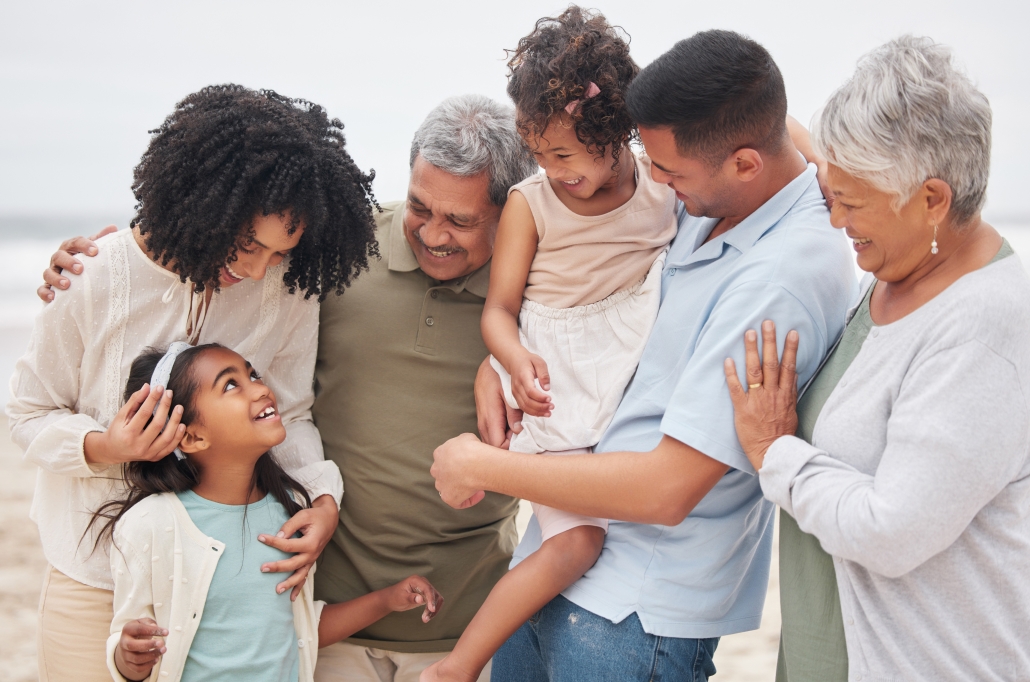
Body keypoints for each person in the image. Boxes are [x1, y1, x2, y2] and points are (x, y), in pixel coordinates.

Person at [38, 93, 538, 682]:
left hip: (440, 616)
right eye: (421, 207)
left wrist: (498, 360)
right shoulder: (330, 261)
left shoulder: (536, 286)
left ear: (510, 212)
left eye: (460, 220)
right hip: (156, 579)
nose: (433, 234)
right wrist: (99, 270)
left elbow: (291, 409)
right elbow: (46, 400)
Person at [430, 30, 856, 681]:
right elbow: (746, 116)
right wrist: (500, 361)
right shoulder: (711, 194)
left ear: (744, 164)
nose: (650, 180)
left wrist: (481, 465)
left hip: (634, 621)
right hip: (558, 572)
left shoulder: (782, 275)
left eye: (670, 171)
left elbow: (667, 490)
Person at [8, 84, 378, 681]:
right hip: (92, 576)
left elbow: (294, 415)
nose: (258, 270)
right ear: (205, 201)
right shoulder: (93, 277)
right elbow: (26, 414)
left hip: (218, 582)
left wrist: (322, 499)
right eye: (249, 243)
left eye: (279, 253)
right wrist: (107, 447)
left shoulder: (283, 290)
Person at [724, 36, 1030, 682]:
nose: (834, 218)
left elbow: (892, 531)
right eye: (832, 193)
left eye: (852, 203)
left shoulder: (985, 326)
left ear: (932, 201)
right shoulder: (898, 273)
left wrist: (775, 450)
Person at [423, 10, 675, 682]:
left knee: (597, 525)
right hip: (554, 378)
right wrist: (510, 359)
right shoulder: (533, 204)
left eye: (562, 154)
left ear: (615, 130)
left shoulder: (662, 187)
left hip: (622, 375)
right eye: (537, 153)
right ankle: (460, 665)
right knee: (578, 544)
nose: (550, 169)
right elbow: (500, 312)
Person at [98, 343, 443, 682]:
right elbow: (128, 645)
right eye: (231, 384)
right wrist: (129, 658)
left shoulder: (293, 514)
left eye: (253, 374)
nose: (261, 388)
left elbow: (300, 633)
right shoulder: (151, 525)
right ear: (191, 438)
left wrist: (387, 599)